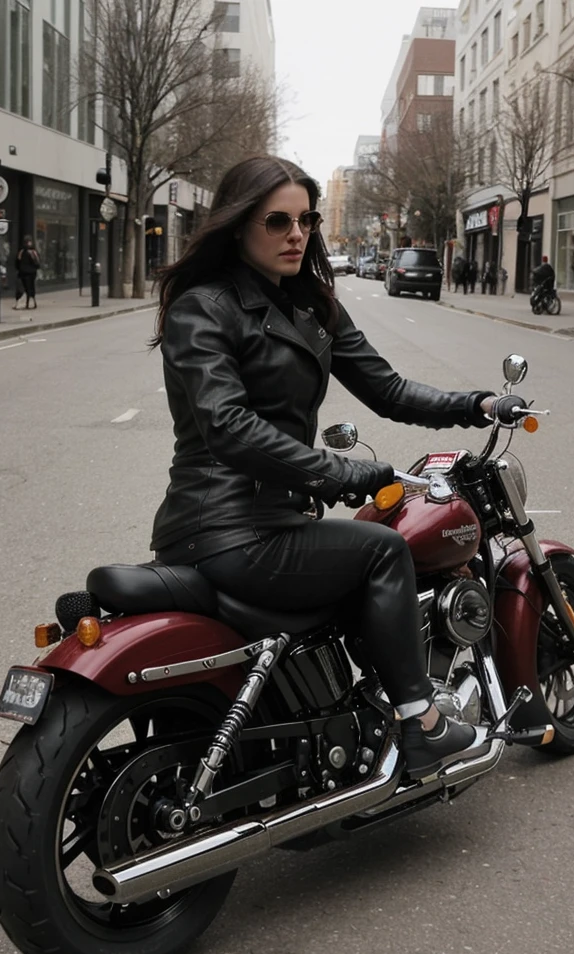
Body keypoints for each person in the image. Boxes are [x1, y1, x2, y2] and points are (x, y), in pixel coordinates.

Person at [150, 155, 502, 779]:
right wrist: (340, 474)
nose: (296, 233)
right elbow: (229, 427)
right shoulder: (203, 307)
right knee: (383, 551)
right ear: (238, 226)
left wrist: (475, 405)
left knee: (363, 553)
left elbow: (388, 390)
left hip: (261, 524)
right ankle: (421, 723)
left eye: (306, 219)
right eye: (276, 220)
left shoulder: (312, 307)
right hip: (231, 529)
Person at [14, 236, 40, 310]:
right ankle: (31, 302)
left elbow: (17, 262)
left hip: (23, 272)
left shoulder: (21, 252)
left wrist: (19, 269)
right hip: (31, 273)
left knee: (25, 287)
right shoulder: (32, 252)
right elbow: (37, 262)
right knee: (30, 287)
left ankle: (27, 302)